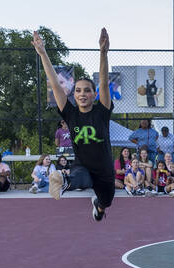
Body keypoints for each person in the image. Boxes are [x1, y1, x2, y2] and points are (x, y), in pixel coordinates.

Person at [36, 27, 115, 221]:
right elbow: (55, 84)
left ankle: (99, 206)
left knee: (107, 202)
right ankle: (62, 180)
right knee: (81, 179)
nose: (82, 94)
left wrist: (103, 53)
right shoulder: (70, 113)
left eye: (87, 90)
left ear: (93, 94)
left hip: (104, 169)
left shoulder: (101, 112)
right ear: (74, 94)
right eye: (78, 90)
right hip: (83, 167)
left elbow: (104, 83)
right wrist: (43, 53)